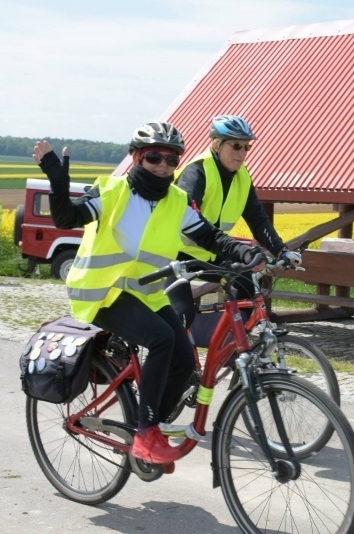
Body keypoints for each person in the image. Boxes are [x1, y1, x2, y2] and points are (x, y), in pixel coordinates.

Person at [33, 121, 261, 468]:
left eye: (171, 160)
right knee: (160, 339)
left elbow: (209, 236)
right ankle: (145, 434)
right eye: (154, 157)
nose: (163, 166)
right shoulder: (113, 193)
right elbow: (67, 218)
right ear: (137, 157)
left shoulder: (176, 201)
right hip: (101, 292)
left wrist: (244, 252)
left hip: (146, 293)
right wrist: (57, 181)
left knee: (185, 362)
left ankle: (153, 422)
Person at [170, 114, 301, 329]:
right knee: (183, 315)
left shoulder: (242, 176)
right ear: (216, 144)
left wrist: (281, 250)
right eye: (236, 146)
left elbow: (257, 219)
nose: (242, 153)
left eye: (246, 147)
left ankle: (234, 344)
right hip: (175, 255)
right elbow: (191, 224)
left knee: (248, 283)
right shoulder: (196, 171)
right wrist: (237, 250)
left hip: (210, 253)